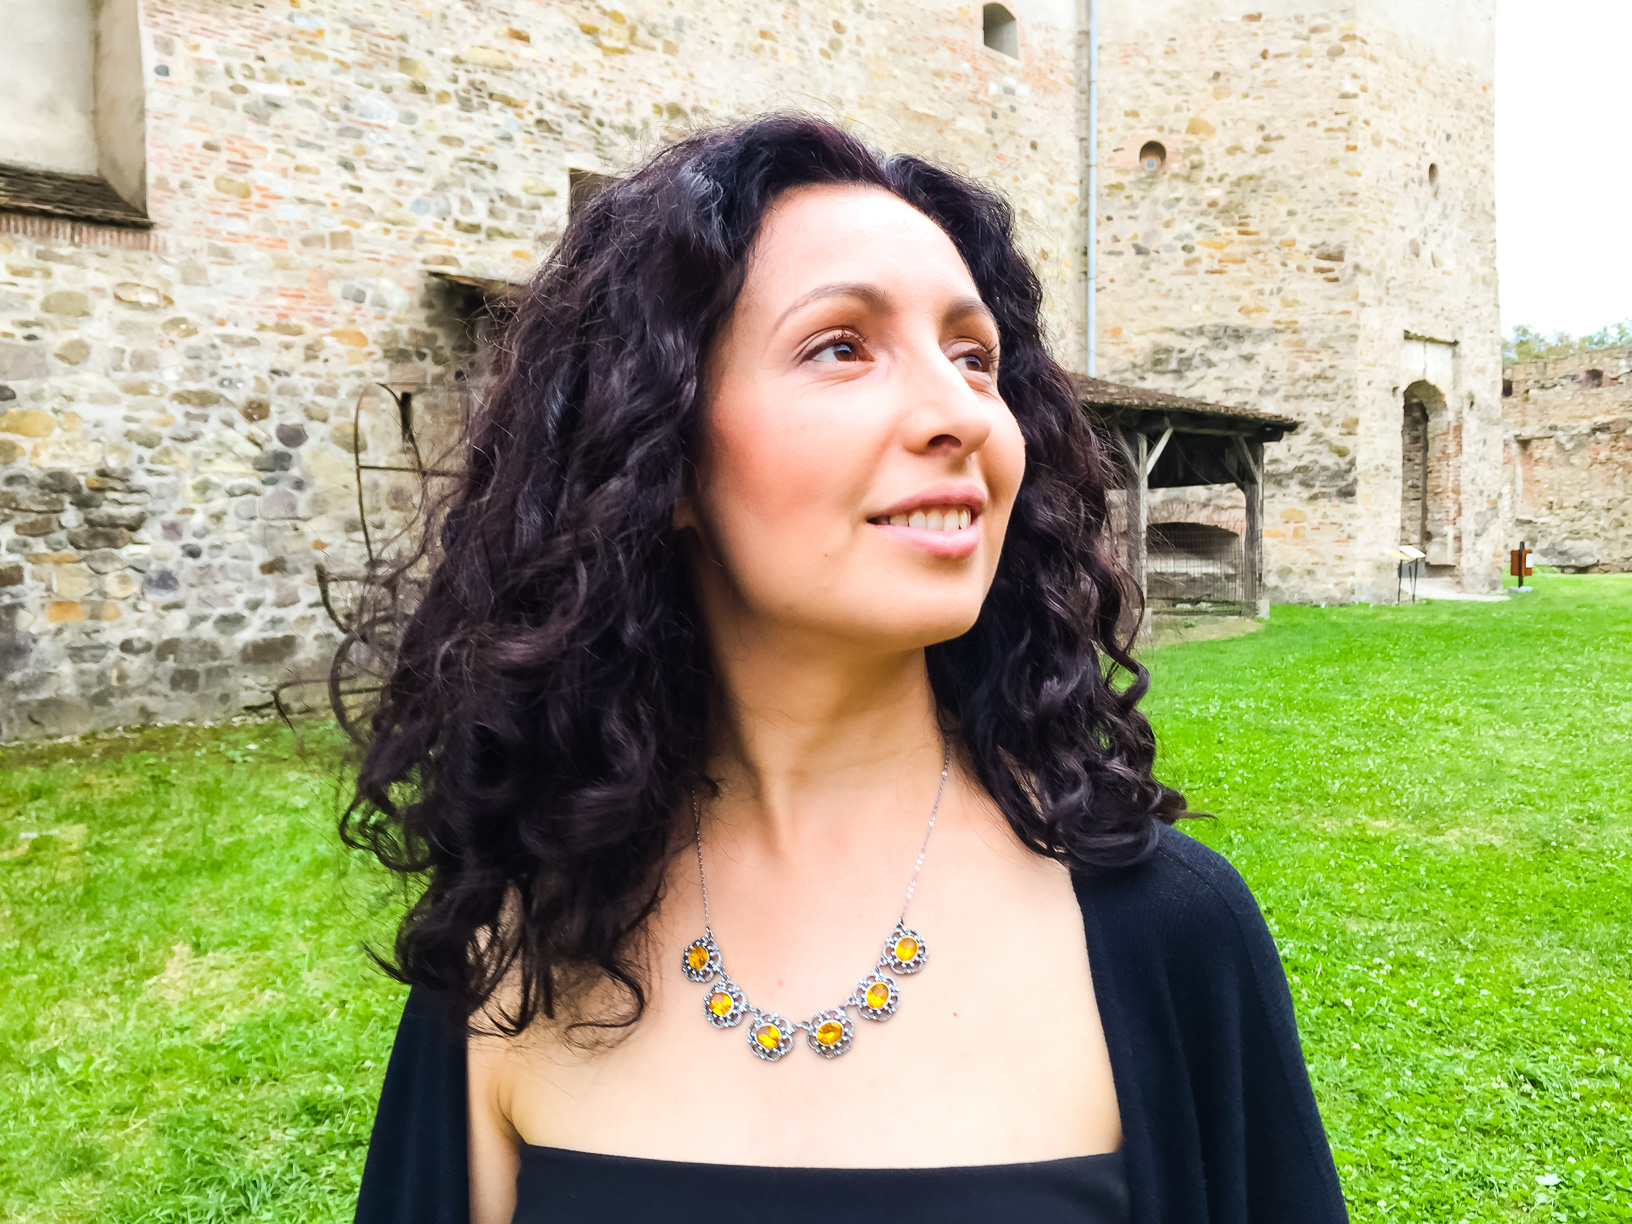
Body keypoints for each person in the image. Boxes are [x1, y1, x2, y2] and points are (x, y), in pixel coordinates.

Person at [345, 114, 1348, 1224]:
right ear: (657, 451)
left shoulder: (1169, 935)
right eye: (840, 346)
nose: (961, 413)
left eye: (974, 358)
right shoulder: (512, 947)